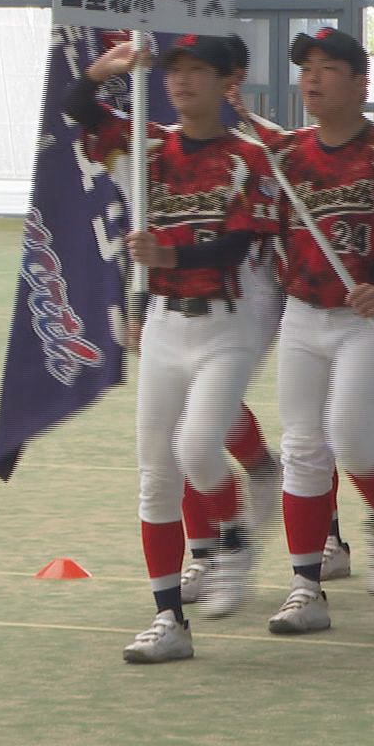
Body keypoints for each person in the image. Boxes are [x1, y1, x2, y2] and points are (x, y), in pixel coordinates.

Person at [67, 33, 281, 664]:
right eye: (174, 71)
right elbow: (78, 108)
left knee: (196, 444)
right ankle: (169, 620)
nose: (182, 81)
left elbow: (240, 243)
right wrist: (105, 68)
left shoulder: (249, 157)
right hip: (164, 324)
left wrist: (171, 255)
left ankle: (232, 542)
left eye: (197, 71)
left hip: (229, 323)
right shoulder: (147, 146)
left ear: (225, 83)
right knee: (156, 476)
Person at [265, 27, 374, 635]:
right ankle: (305, 586)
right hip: (302, 314)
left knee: (350, 433)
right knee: (302, 447)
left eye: (327, 68)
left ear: (360, 83)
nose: (312, 79)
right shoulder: (285, 156)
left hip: (371, 315)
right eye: (305, 69)